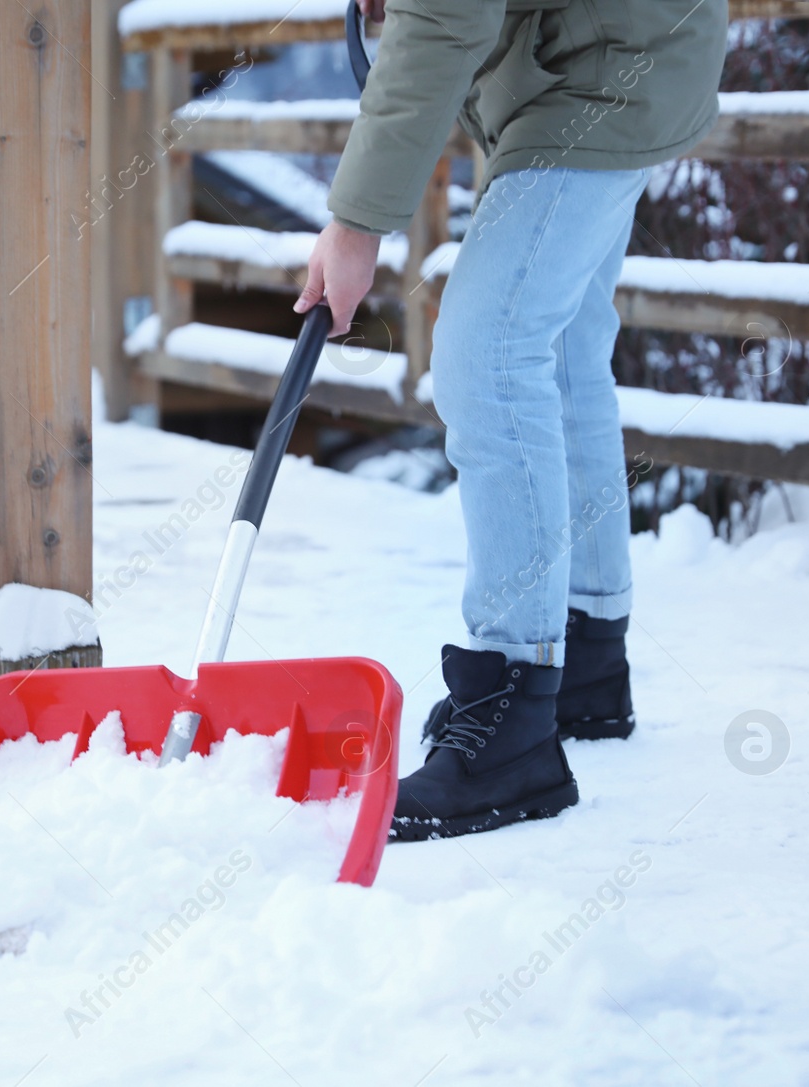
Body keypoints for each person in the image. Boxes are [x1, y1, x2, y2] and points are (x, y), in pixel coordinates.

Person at [295, 0, 726, 839]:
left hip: (601, 68)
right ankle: (587, 654)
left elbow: (448, 16)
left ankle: (514, 719)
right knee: (559, 351)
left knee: (487, 354)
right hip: (601, 52)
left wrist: (355, 224)